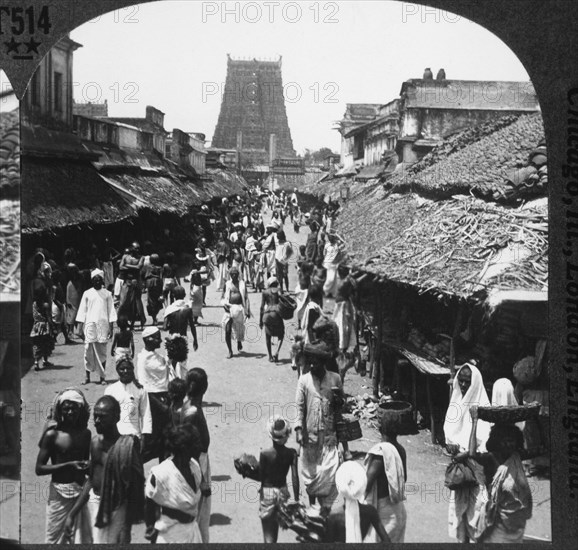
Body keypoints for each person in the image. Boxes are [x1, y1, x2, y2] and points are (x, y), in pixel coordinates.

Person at [64, 395, 145, 543]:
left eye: (102, 417)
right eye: (95, 416)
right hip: (95, 507)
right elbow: (90, 480)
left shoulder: (128, 446)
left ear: (116, 417)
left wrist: (126, 527)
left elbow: (134, 489)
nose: (96, 421)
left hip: (118, 509)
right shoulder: (95, 443)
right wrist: (72, 513)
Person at [468, 407, 533, 542]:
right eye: (505, 440)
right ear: (497, 441)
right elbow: (472, 455)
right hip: (497, 520)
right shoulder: (491, 458)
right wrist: (474, 421)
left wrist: (535, 418)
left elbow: (543, 448)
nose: (509, 444)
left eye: (512, 440)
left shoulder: (516, 457)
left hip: (516, 519)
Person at [35, 388, 91, 544]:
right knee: (53, 539)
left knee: (81, 540)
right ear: (60, 410)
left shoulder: (85, 434)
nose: (70, 412)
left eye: (74, 408)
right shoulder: (53, 435)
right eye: (66, 408)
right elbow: (39, 469)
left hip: (80, 493)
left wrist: (88, 466)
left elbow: (85, 463)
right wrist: (69, 465)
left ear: (81, 409)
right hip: (59, 493)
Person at [443, 363, 492, 542]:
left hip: (476, 474)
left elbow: (485, 444)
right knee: (459, 519)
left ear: (475, 383)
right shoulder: (456, 403)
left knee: (476, 520)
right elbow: (450, 433)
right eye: (461, 381)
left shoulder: (483, 407)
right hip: (460, 474)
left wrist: (465, 454)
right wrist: (451, 447)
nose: (463, 385)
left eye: (467, 382)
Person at [295, 343, 344, 517]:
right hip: (310, 437)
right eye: (310, 362)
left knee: (328, 477)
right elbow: (300, 407)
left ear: (323, 363)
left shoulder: (335, 379)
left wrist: (339, 400)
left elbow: (340, 409)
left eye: (316, 363)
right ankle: (312, 508)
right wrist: (299, 430)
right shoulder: (304, 380)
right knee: (311, 476)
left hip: (329, 436)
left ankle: (323, 512)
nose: (312, 366)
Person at [170, 369, 212, 542]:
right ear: (205, 387)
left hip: (194, 463)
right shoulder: (192, 412)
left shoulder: (188, 407)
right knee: (199, 518)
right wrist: (201, 480)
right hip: (195, 466)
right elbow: (189, 448)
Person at [145, 424, 204, 543]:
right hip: (170, 535)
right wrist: (151, 526)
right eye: (195, 443)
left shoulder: (195, 467)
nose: (199, 446)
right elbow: (149, 499)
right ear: (184, 447)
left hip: (192, 531)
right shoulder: (161, 474)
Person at [364, 416, 408, 542]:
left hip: (384, 515)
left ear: (379, 429)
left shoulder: (381, 454)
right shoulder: (401, 450)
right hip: (398, 509)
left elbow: (366, 484)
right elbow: (403, 479)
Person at [324, 461, 390, 543]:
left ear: (339, 487)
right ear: (362, 486)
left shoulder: (334, 515)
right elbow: (387, 541)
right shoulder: (370, 511)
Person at [259, 416, 300, 543]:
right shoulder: (292, 453)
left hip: (267, 492)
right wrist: (297, 499)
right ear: (287, 435)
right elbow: (294, 477)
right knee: (274, 530)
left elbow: (261, 476)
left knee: (268, 532)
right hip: (283, 491)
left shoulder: (265, 454)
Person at [137, 327, 174, 462]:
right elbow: (144, 387)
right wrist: (162, 407)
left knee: (166, 441)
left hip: (164, 398)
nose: (160, 339)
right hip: (153, 402)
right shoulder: (143, 359)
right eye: (156, 337)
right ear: (147, 339)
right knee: (152, 441)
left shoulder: (158, 357)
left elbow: (168, 371)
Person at [76, 268, 117, 385]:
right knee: (87, 351)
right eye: (95, 280)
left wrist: (111, 327)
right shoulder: (87, 293)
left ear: (102, 281)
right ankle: (87, 377)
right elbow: (82, 311)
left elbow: (111, 312)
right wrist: (80, 327)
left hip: (103, 326)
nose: (97, 282)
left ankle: (102, 377)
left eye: (99, 280)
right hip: (90, 325)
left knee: (102, 352)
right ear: (92, 281)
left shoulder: (107, 294)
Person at [104, 357, 152, 449]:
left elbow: (146, 414)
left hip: (134, 436)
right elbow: (106, 416)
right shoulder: (110, 390)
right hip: (115, 437)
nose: (125, 371)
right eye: (122, 369)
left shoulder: (140, 390)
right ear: (117, 370)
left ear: (132, 369)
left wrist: (144, 437)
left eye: (128, 368)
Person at [162, 286, 199, 374]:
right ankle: (182, 381)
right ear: (184, 295)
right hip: (183, 338)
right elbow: (192, 326)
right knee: (182, 363)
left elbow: (164, 327)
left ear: (173, 296)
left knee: (171, 362)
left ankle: (172, 381)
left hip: (171, 338)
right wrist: (195, 340)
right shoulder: (188, 309)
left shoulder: (170, 309)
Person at [30, 259, 55, 371]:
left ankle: (42, 360)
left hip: (42, 307)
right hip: (42, 308)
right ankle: (38, 361)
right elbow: (40, 296)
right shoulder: (40, 282)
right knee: (43, 336)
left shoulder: (42, 281)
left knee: (43, 337)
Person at [221, 266, 251, 358]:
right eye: (232, 274)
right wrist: (224, 305)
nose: (234, 275)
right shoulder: (227, 284)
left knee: (239, 329)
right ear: (230, 275)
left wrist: (247, 310)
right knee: (227, 330)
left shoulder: (242, 284)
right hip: (229, 309)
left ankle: (238, 341)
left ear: (238, 275)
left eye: (236, 274)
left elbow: (245, 297)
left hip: (239, 309)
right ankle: (230, 351)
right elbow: (222, 297)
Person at [332, 265, 358, 352]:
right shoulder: (345, 281)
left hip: (341, 304)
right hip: (343, 305)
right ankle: (343, 346)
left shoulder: (342, 279)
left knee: (341, 325)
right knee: (344, 326)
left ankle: (342, 345)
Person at [260, 277, 285, 363]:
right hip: (276, 314)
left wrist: (260, 321)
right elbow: (284, 303)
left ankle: (270, 356)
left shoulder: (265, 292)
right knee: (281, 335)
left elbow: (261, 307)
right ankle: (277, 353)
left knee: (268, 336)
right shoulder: (279, 291)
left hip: (267, 315)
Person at [143, 253, 164, 326]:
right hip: (157, 283)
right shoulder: (160, 268)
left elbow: (143, 275)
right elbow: (161, 278)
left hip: (149, 283)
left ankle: (154, 317)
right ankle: (155, 317)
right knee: (157, 300)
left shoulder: (147, 267)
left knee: (151, 300)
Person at [65, 263, 83, 340]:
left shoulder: (78, 277)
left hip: (76, 294)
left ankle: (77, 331)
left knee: (76, 312)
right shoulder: (70, 278)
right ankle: (71, 331)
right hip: (72, 292)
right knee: (72, 313)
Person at [322, 232, 342, 299]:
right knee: (329, 279)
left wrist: (337, 236)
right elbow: (324, 253)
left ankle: (331, 292)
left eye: (332, 238)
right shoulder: (327, 245)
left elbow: (343, 243)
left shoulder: (337, 245)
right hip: (328, 263)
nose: (330, 240)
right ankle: (325, 291)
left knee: (334, 279)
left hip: (334, 264)